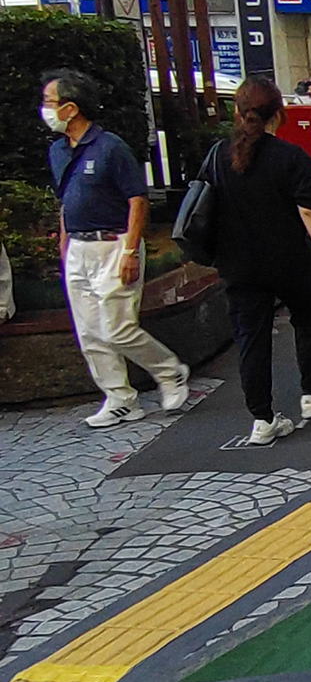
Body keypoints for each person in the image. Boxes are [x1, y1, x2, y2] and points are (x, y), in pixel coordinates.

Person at [41, 69, 190, 427]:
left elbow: (137, 200)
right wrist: (65, 246)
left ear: (71, 108)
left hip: (113, 245)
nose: (45, 109)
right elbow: (66, 201)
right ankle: (120, 397)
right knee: (90, 332)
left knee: (117, 328)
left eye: (50, 102)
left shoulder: (110, 148)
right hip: (79, 248)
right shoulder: (58, 151)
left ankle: (170, 371)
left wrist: (129, 250)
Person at [206, 76, 311, 446]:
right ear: (278, 114)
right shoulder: (290, 157)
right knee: (308, 322)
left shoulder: (219, 156)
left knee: (251, 338)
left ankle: (262, 419)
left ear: (236, 112)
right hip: (290, 261)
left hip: (238, 265)